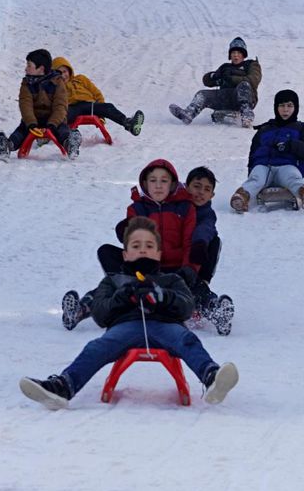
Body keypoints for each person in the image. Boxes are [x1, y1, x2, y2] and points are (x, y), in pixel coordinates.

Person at [21, 217, 239, 410]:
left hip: (166, 326)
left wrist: (163, 297)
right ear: (125, 254)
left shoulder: (171, 279)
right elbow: (100, 314)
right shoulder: (113, 281)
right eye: (136, 245)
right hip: (126, 327)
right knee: (96, 347)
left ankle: (211, 377)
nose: (143, 250)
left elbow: (187, 306)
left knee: (187, 340)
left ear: (159, 253)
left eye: (149, 245)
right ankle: (63, 386)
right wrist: (122, 297)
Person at [62, 159, 197, 331]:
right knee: (111, 263)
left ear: (172, 185)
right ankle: (81, 309)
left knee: (192, 288)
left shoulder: (185, 208)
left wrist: (189, 267)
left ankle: (215, 309)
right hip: (143, 267)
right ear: (145, 184)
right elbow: (132, 241)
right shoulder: (137, 208)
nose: (158, 186)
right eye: (153, 181)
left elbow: (189, 241)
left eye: (164, 181)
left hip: (174, 270)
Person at [230, 90, 304, 212]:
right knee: (256, 179)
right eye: (281, 105)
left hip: (287, 165)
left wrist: (291, 145)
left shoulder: (302, 128)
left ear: (296, 107)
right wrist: (252, 170)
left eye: (289, 105)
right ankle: (242, 197)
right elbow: (253, 154)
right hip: (263, 166)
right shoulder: (264, 129)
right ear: (276, 108)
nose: (285, 110)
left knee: (292, 177)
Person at [0, 49, 82, 160]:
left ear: (41, 69)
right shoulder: (26, 83)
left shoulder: (57, 82)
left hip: (54, 120)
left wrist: (52, 124)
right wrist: (31, 124)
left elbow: (60, 106)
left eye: (29, 66)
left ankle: (70, 144)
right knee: (22, 130)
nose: (25, 69)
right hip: (34, 119)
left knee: (61, 130)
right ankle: (8, 145)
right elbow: (25, 105)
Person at [184, 166, 235, 335]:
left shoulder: (207, 214)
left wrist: (199, 242)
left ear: (212, 195)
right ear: (186, 186)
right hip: (173, 264)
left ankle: (216, 310)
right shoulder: (177, 208)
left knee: (214, 241)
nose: (201, 192)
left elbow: (205, 229)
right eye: (197, 186)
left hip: (193, 267)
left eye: (207, 189)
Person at [169, 37, 262, 127]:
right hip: (226, 98)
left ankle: (246, 114)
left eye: (239, 52)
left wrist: (232, 78)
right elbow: (207, 81)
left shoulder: (251, 64)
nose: (236, 55)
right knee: (202, 94)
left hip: (244, 97)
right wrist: (214, 76)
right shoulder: (225, 67)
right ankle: (188, 114)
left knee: (244, 85)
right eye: (233, 52)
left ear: (243, 55)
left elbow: (253, 80)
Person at [51, 57, 145, 136]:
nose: (63, 75)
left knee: (108, 107)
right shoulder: (55, 86)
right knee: (62, 116)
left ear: (69, 71)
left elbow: (96, 94)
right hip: (70, 107)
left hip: (89, 105)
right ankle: (58, 134)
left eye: (65, 71)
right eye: (59, 73)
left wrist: (101, 115)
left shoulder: (80, 79)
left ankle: (128, 123)